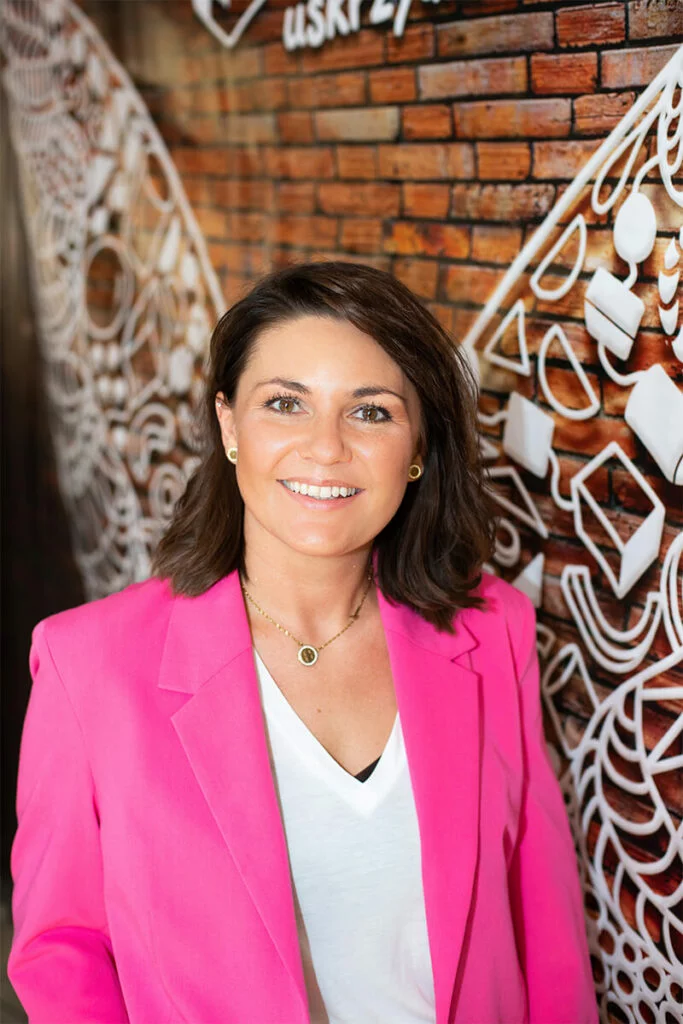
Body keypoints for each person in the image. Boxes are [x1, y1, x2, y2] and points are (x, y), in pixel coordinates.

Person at [8, 261, 597, 1023]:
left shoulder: (492, 630)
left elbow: (542, 915)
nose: (325, 448)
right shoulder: (89, 663)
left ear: (419, 445)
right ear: (229, 426)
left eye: (371, 412)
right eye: (285, 404)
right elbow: (63, 949)